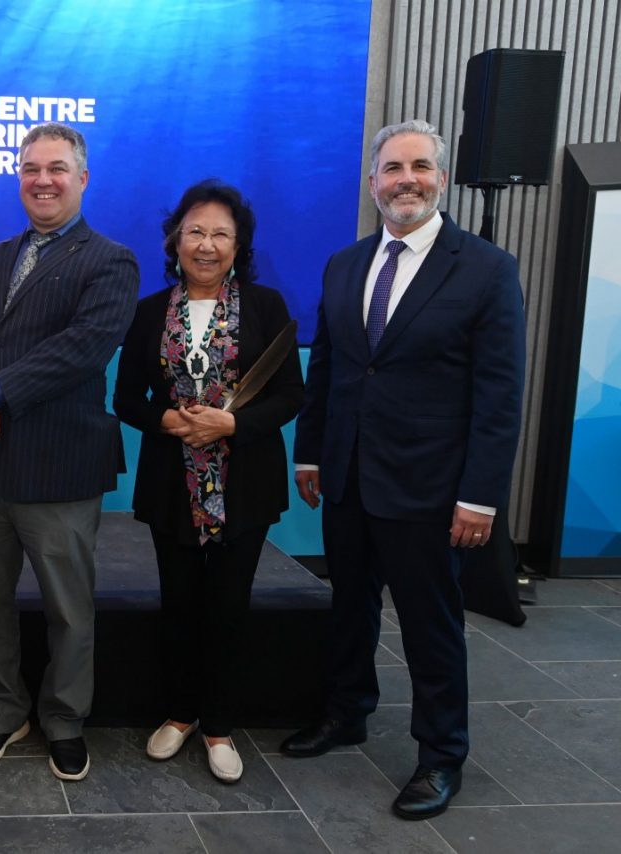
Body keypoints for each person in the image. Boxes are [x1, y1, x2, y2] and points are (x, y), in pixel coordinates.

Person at [283, 119, 525, 819]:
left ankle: (442, 754)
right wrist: (311, 449)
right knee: (348, 607)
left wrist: (481, 497)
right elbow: (328, 368)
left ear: (441, 179)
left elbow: (500, 394)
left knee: (430, 624)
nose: (405, 180)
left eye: (420, 166)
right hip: (349, 477)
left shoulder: (485, 268)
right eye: (392, 168)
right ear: (373, 183)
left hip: (431, 489)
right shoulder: (344, 264)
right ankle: (347, 712)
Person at [0, 122, 139, 782]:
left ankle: (63, 719)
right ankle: (2, 713)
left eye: (57, 168)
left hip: (59, 467)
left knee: (68, 609)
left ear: (82, 179)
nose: (42, 179)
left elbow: (82, 348)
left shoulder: (110, 260)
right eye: (30, 168)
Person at [113, 180, 303, 782]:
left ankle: (219, 725)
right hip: (173, 485)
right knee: (179, 606)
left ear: (238, 244)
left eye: (220, 233)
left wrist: (234, 422)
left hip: (242, 484)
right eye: (195, 231)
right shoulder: (149, 312)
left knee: (227, 609)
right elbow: (126, 398)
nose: (206, 244)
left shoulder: (268, 306)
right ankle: (179, 714)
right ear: (175, 241)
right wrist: (167, 419)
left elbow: (292, 394)